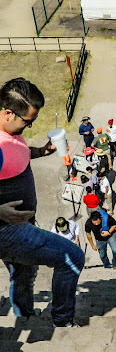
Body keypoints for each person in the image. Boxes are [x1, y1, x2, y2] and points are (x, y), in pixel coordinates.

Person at [0, 78, 85, 327]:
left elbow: (19, 153)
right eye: (28, 121)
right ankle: (62, 321)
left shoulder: (8, 133)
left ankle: (24, 315)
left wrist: (41, 152)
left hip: (19, 224)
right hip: (7, 230)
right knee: (71, 257)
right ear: (8, 113)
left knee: (23, 273)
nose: (30, 126)